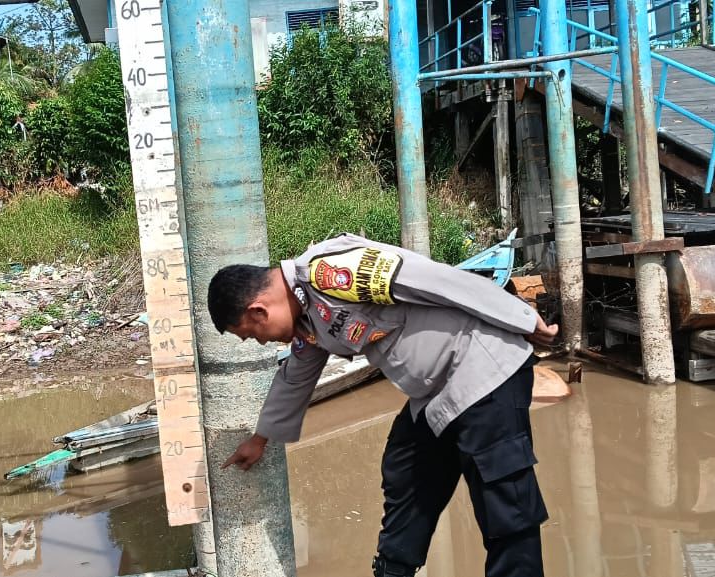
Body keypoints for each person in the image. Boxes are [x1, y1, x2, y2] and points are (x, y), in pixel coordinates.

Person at [209, 233, 559, 577]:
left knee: (503, 502)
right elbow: (296, 375)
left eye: (252, 334)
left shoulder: (332, 273)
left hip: (482, 369)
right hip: (437, 394)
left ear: (259, 311)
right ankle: (394, 571)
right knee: (406, 465)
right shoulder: (307, 317)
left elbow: (439, 280)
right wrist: (260, 438)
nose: (261, 342)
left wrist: (523, 319)